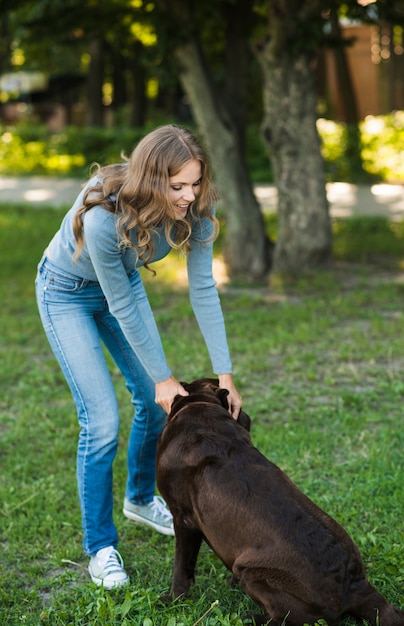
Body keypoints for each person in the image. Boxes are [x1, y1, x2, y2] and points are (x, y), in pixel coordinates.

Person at [35, 124, 242, 590]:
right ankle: (100, 547)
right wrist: (163, 376)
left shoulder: (198, 209)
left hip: (120, 288)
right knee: (102, 421)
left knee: (154, 403)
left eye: (195, 182)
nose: (189, 195)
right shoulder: (103, 216)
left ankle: (139, 498)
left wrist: (225, 374)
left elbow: (204, 289)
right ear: (151, 180)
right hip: (65, 293)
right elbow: (122, 306)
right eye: (177, 186)